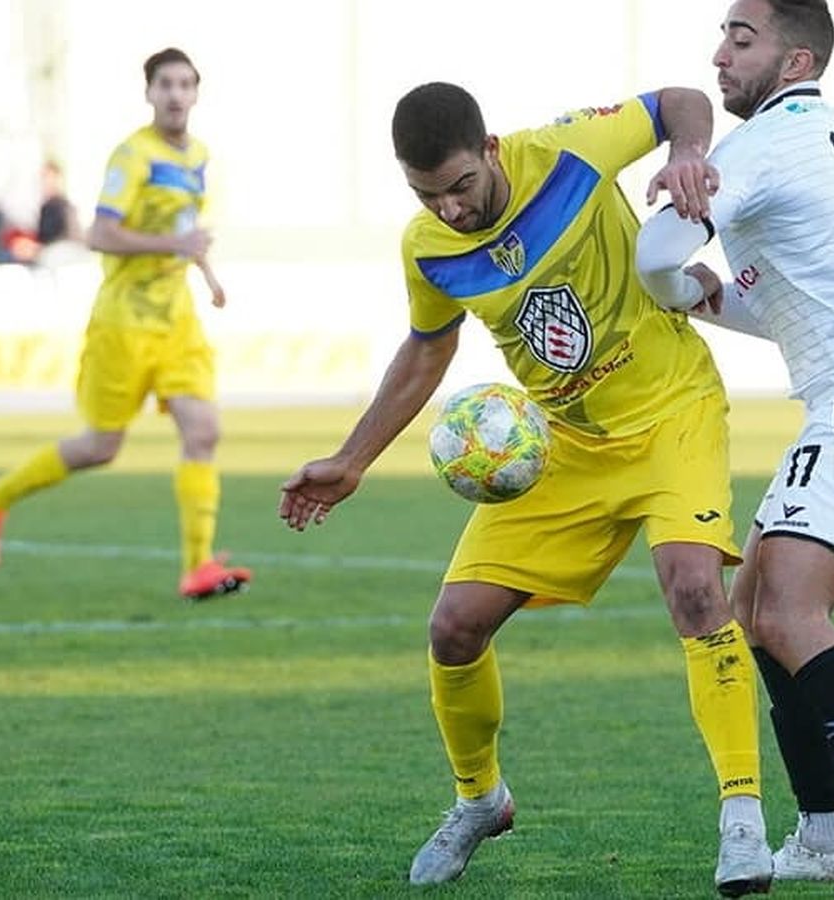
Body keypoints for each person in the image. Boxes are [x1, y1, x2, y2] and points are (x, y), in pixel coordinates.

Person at [277, 82, 772, 895]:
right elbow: (428, 347)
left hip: (671, 413)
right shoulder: (428, 247)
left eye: (460, 186)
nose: (450, 209)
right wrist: (353, 458)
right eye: (427, 195)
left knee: (692, 588)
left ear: (492, 149)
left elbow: (679, 101)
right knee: (453, 628)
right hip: (562, 445)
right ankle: (480, 799)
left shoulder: (570, 151)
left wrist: (688, 153)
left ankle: (743, 816)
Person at [634, 2, 834, 897]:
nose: (719, 55)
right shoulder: (826, 132)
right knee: (753, 609)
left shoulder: (765, 143)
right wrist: (700, 294)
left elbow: (656, 249)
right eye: (722, 36)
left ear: (796, 61)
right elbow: (790, 297)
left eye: (742, 40)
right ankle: (823, 834)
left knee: (786, 611)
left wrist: (668, 271)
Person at [0, 47, 251, 601]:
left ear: (196, 93)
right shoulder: (133, 155)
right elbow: (99, 234)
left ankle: (196, 566)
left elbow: (187, 231)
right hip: (124, 321)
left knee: (203, 429)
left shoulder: (200, 156)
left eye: (185, 84)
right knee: (100, 447)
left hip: (177, 318)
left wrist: (208, 276)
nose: (175, 94)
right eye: (165, 84)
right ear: (149, 93)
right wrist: (175, 245)